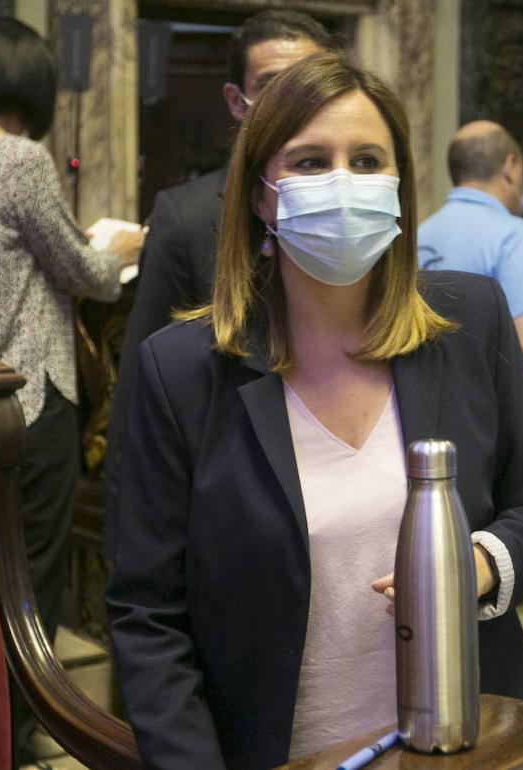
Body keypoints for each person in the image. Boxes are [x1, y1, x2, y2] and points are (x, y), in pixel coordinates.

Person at [106, 53, 523, 769]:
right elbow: (148, 619)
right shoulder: (181, 370)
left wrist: (478, 563)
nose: (343, 185)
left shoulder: (469, 321)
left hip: (466, 743)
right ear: (262, 194)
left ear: (399, 186)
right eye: (310, 162)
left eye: (366, 161)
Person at [0, 17, 143, 765]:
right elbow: (86, 273)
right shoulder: (20, 159)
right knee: (30, 578)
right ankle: (13, 733)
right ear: (31, 85)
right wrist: (120, 250)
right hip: (31, 395)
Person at [104, 10, 337, 557]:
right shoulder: (186, 217)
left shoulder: (362, 204)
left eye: (308, 83)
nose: (293, 103)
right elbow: (141, 387)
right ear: (237, 101)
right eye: (272, 87)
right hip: (233, 502)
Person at [418, 121, 523, 434]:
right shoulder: (516, 237)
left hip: (425, 429)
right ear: (510, 167)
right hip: (492, 435)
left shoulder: (417, 236)